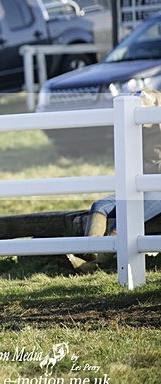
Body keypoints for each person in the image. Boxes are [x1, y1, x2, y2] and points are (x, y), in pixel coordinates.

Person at [68, 89, 161, 273]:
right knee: (100, 206)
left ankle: (94, 264)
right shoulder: (133, 131)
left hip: (158, 190)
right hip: (138, 187)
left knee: (126, 220)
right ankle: (90, 251)